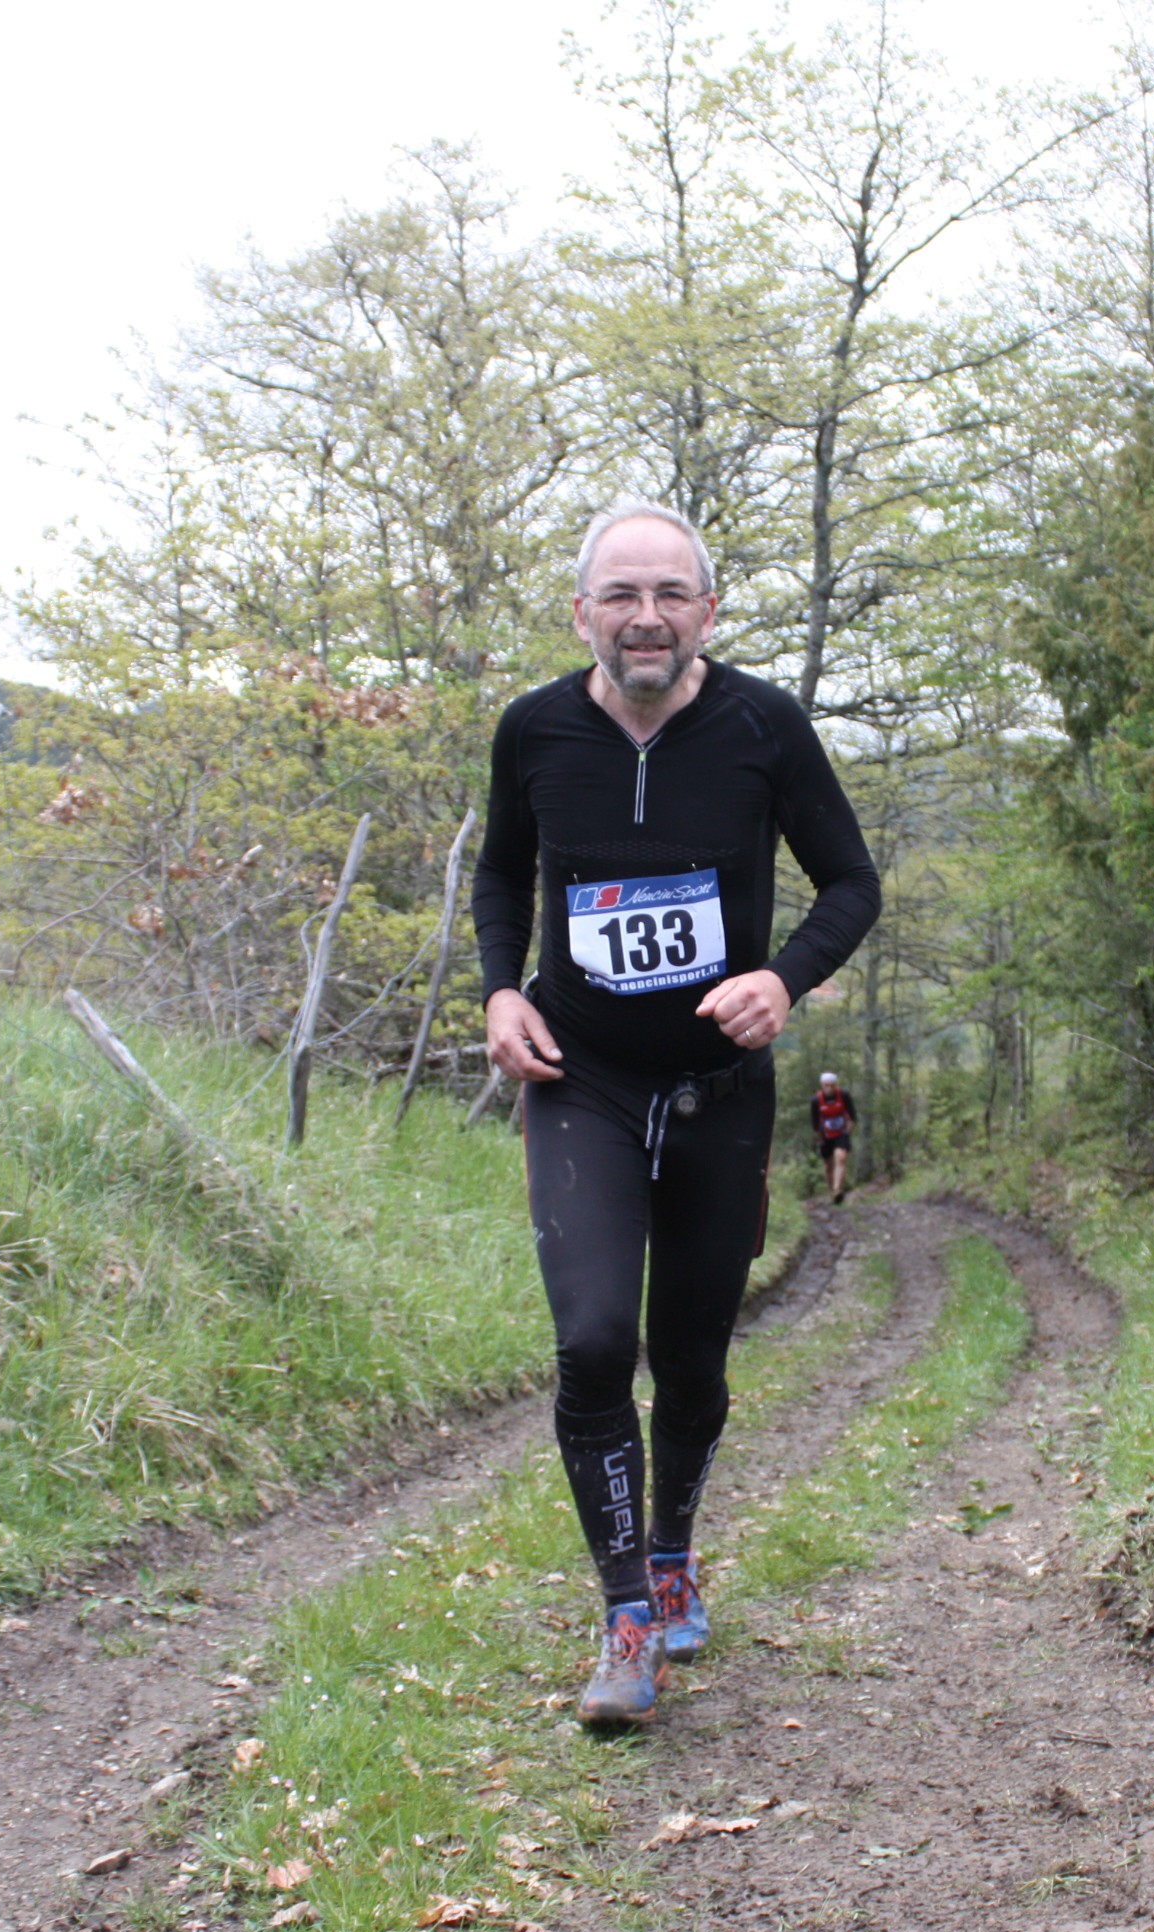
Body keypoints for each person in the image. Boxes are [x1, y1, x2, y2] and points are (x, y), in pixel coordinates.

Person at [474, 495, 880, 1727]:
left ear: (708, 609)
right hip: (580, 1081)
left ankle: (674, 1545)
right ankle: (626, 1620)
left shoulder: (764, 725)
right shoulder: (534, 729)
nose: (644, 618)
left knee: (693, 1361)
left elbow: (851, 882)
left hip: (716, 1093)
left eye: (668, 596)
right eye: (620, 595)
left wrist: (780, 977)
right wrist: (499, 991)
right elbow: (501, 869)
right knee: (596, 1340)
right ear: (582, 613)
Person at [808, 1072, 857, 1204]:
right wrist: (820, 1139)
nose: (829, 1088)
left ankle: (837, 1189)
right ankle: (832, 1192)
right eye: (826, 1086)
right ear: (822, 1085)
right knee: (829, 1165)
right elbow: (815, 1124)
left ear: (836, 1085)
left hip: (841, 1132)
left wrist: (847, 1132)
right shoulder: (816, 1100)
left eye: (832, 1085)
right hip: (825, 1135)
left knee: (841, 1158)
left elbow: (853, 1117)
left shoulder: (844, 1095)